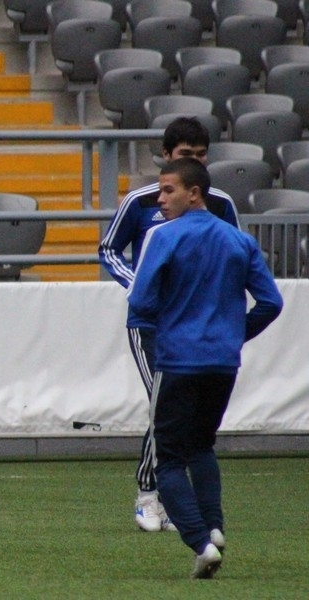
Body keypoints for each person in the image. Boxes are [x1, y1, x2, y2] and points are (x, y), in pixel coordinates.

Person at [127, 158, 282, 578]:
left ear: (194, 193)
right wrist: (235, 333)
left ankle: (200, 542)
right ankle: (214, 528)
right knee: (201, 446)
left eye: (168, 190)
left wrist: (171, 323)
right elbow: (271, 302)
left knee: (169, 460)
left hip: (178, 360)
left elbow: (139, 302)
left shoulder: (163, 236)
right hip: (223, 362)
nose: (160, 200)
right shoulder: (238, 240)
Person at [98, 117, 239, 532]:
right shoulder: (142, 201)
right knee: (163, 404)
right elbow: (109, 249)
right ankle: (148, 492)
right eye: (185, 154)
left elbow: (234, 254)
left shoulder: (221, 204)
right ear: (166, 156)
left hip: (195, 325)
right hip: (150, 323)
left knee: (183, 411)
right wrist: (138, 284)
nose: (195, 160)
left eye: (201, 155)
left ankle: (177, 502)